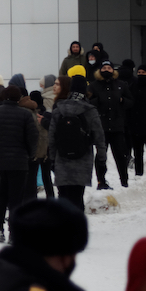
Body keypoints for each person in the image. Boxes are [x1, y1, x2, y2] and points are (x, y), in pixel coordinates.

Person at [0, 85, 41, 244]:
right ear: (18, 98)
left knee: (1, 195)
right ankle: (13, 232)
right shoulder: (25, 114)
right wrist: (30, 155)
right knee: (16, 198)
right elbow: (32, 137)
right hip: (19, 162)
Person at [48, 77, 107, 213]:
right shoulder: (90, 110)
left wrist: (52, 159)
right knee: (77, 196)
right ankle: (76, 229)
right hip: (83, 159)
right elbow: (99, 137)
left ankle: (63, 228)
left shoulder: (59, 109)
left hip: (62, 159)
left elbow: (52, 138)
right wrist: (101, 159)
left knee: (63, 196)